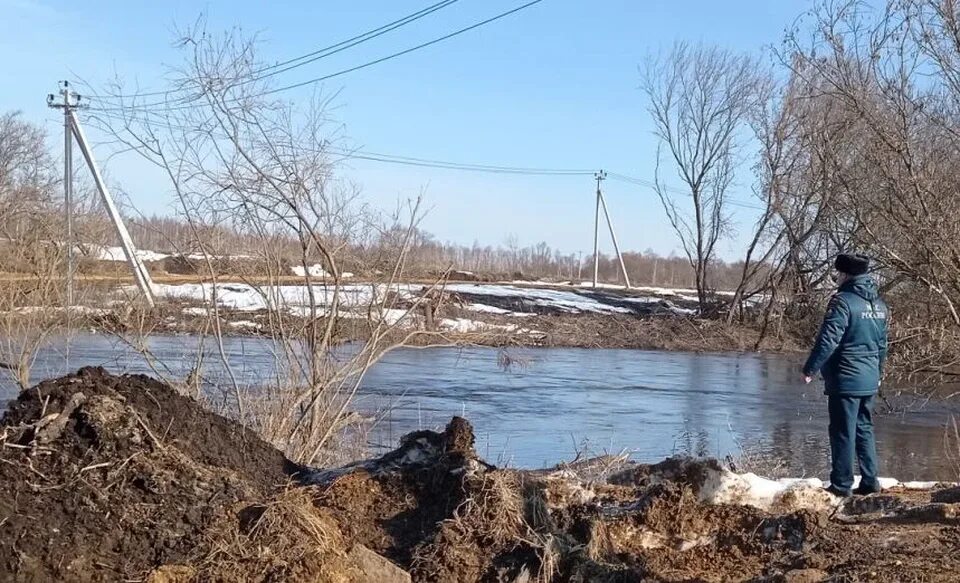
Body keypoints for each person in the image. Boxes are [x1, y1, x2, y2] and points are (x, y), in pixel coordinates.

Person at [802, 253, 889, 498]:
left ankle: (841, 485)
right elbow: (883, 345)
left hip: (846, 377)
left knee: (842, 431)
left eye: (838, 274)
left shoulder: (842, 302)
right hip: (869, 377)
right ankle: (870, 482)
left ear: (845, 274)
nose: (836, 278)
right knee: (864, 428)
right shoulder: (880, 304)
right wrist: (878, 372)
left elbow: (829, 339)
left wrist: (810, 368)